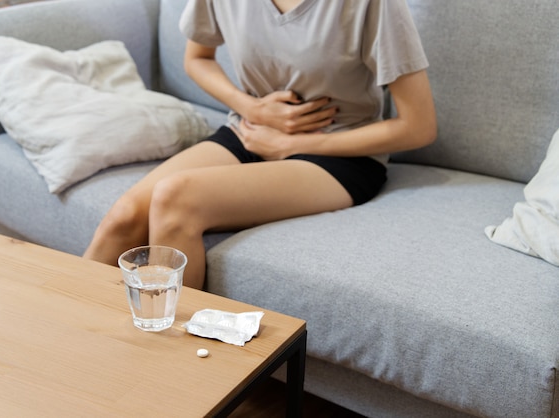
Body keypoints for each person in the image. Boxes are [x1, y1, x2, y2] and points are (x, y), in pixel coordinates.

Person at [83, 0, 437, 289]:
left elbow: (418, 127)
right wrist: (250, 106)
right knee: (125, 215)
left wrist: (286, 143)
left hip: (341, 154)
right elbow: (197, 58)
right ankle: (64, 345)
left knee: (175, 198)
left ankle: (167, 365)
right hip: (251, 130)